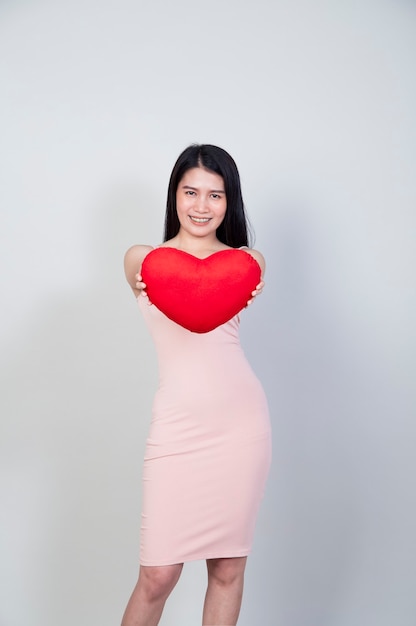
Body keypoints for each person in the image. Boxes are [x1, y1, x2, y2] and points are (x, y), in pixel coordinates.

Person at [122, 144, 271, 626]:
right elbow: (151, 282)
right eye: (191, 192)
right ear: (175, 195)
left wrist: (244, 268)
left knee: (228, 568)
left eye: (215, 195)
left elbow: (246, 276)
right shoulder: (143, 259)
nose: (202, 207)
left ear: (231, 203)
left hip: (240, 426)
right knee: (158, 576)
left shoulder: (247, 262)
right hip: (177, 427)